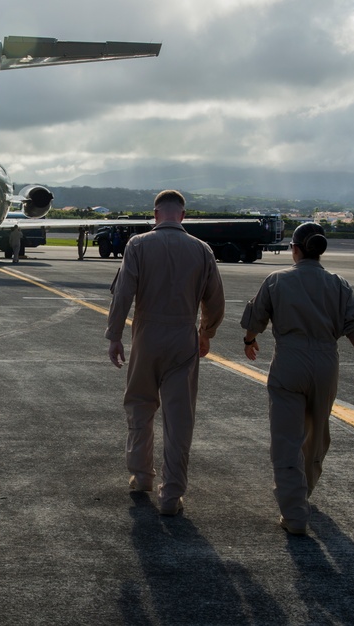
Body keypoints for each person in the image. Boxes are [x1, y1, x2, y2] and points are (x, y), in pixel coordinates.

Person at [241, 222, 354, 536]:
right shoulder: (339, 284)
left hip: (289, 361)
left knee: (286, 440)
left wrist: (250, 341)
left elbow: (256, 317)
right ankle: (303, 493)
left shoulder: (277, 280)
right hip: (325, 362)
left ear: (296, 249)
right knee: (317, 436)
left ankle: (294, 514)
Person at [107, 190, 226, 515]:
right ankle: (171, 496)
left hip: (147, 334)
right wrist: (205, 333)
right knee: (179, 419)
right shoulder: (202, 250)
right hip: (183, 338)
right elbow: (215, 302)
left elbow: (123, 294)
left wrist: (115, 335)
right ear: (183, 216)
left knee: (140, 405)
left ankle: (142, 475)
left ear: (156, 214)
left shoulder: (138, 245)